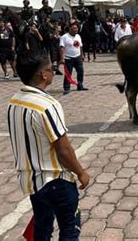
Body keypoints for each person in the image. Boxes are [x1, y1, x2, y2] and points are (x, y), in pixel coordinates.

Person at [8, 53, 90, 239]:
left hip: (32, 180)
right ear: (43, 75)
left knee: (42, 227)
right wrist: (81, 172)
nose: (53, 72)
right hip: (55, 180)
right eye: (50, 69)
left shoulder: (15, 100)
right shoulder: (47, 105)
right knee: (70, 230)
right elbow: (63, 149)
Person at [59, 22, 88, 95]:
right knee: (68, 73)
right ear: (70, 29)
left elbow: (80, 46)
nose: (76, 30)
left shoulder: (78, 36)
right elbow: (61, 48)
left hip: (77, 57)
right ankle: (66, 87)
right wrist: (62, 58)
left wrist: (82, 55)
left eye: (77, 28)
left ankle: (80, 85)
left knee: (80, 71)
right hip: (68, 58)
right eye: (74, 28)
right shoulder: (64, 37)